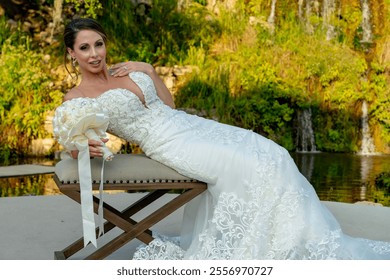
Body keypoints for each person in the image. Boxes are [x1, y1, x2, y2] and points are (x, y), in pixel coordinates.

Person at [58, 17, 390, 259]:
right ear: (72, 54)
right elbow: (75, 140)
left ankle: (302, 238)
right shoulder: (78, 98)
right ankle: (274, 244)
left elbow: (168, 104)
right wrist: (78, 145)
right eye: (84, 48)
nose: (94, 53)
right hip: (168, 144)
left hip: (188, 125)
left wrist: (149, 69)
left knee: (272, 152)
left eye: (98, 44)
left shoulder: (127, 70)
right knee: (245, 164)